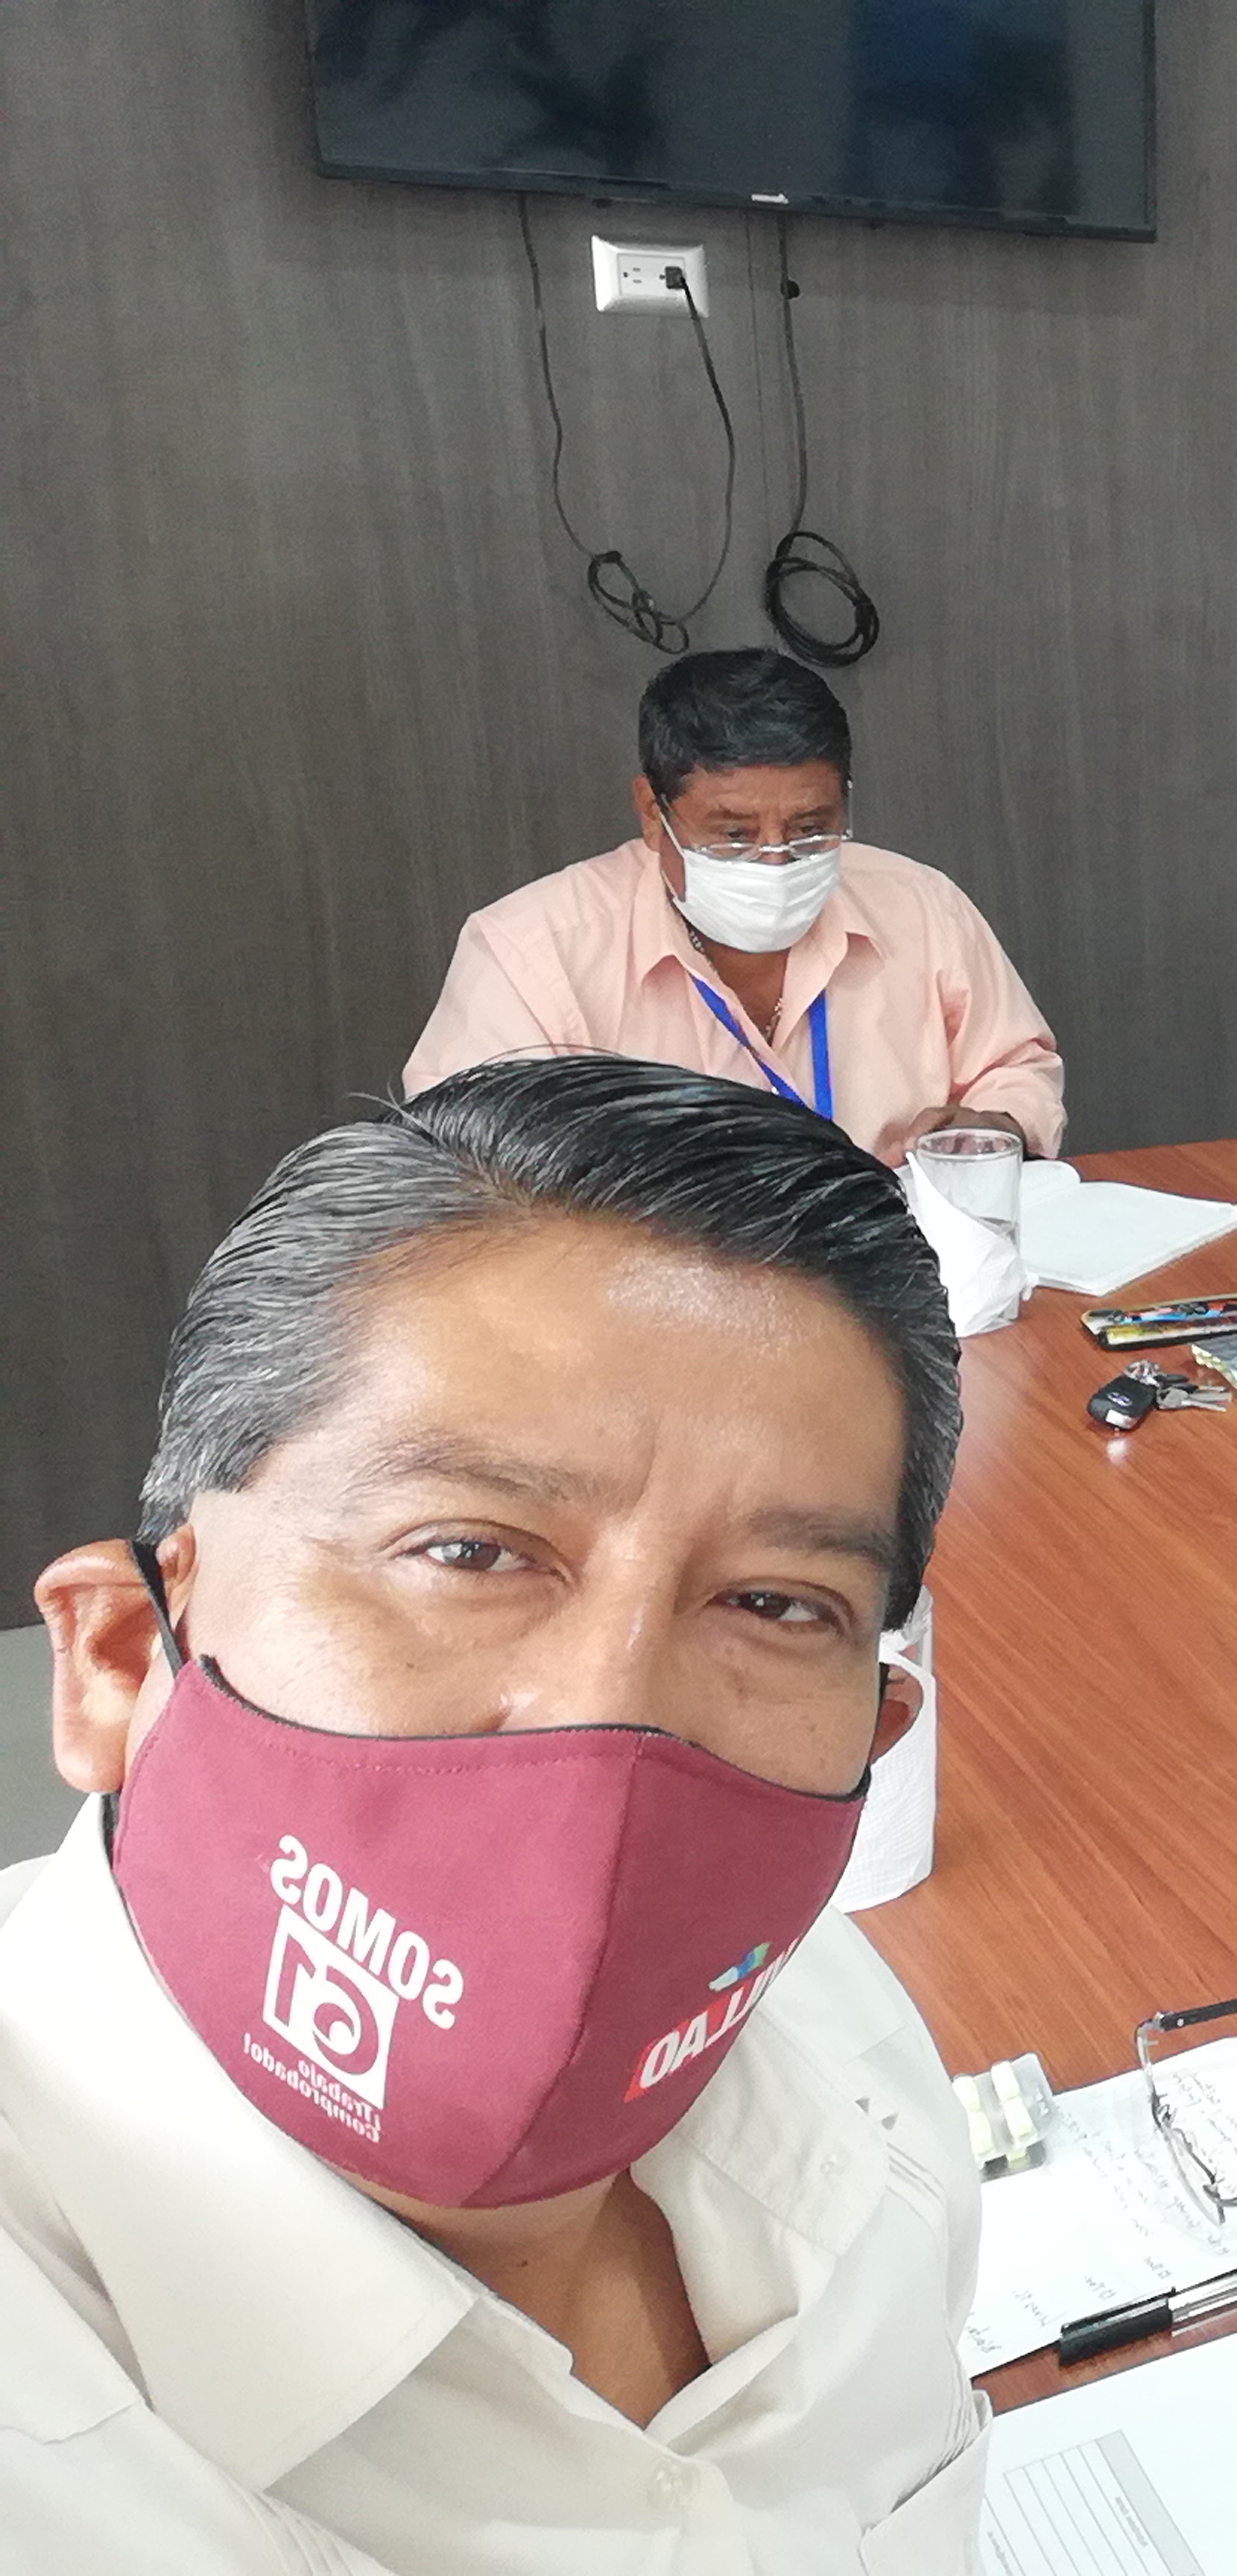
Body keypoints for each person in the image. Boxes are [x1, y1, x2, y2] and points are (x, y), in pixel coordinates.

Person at [3, 1057, 988, 2564]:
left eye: (776, 1603)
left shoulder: (847, 2050)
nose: (615, 1718)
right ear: (124, 1659)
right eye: (469, 1552)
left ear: (877, 1734)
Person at [406, 648, 1064, 1165]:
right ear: (652, 813)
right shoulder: (530, 954)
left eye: (810, 829)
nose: (775, 861)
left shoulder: (920, 904)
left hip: (906, 1271)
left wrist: (995, 1127)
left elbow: (1017, 1067)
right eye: (733, 835)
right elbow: (468, 1176)